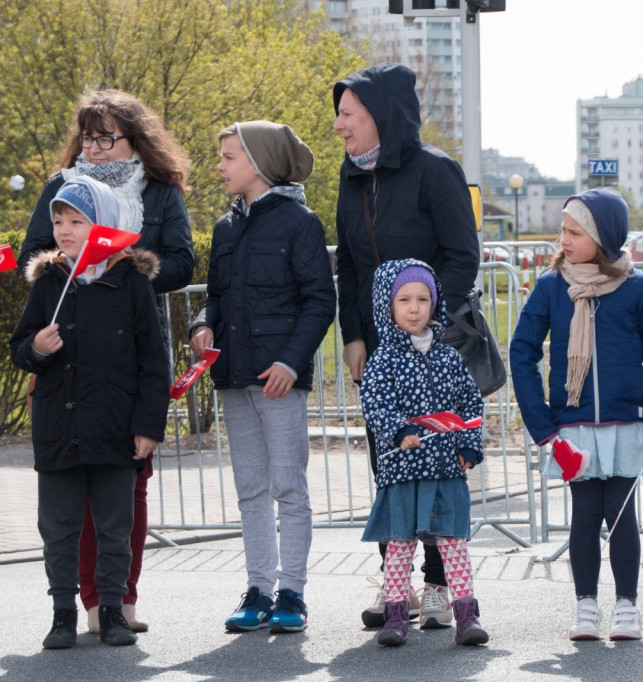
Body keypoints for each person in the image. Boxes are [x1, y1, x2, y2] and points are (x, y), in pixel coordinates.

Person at [18, 89, 194, 635]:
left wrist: (121, 278)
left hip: (124, 344)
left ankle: (120, 599)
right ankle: (84, 603)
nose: (93, 147)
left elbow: (184, 260)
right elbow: (34, 253)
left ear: (133, 139)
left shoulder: (160, 191)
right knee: (70, 495)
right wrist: (80, 276)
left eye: (105, 137)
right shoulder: (60, 190)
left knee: (123, 490)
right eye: (87, 137)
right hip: (68, 354)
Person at [332, 62, 480, 629]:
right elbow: (348, 265)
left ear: (379, 115)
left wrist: (428, 332)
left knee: (438, 467)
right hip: (380, 354)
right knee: (390, 465)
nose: (340, 126)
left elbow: (462, 257)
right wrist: (353, 335)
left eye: (348, 114)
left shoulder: (435, 171)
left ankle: (440, 584)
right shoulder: (350, 176)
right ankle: (397, 588)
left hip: (433, 353)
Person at [510, 188, 643, 642]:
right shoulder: (550, 288)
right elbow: (521, 353)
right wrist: (543, 427)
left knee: (621, 516)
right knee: (584, 516)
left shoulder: (639, 289)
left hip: (627, 425)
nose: (562, 238)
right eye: (563, 229)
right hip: (572, 427)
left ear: (602, 237)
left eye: (573, 231)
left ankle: (627, 607)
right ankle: (585, 606)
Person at [9, 176, 170, 649]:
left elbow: (153, 364)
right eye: (58, 221)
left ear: (101, 224)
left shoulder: (131, 284)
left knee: (114, 526)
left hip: (115, 431)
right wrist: (36, 348)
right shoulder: (48, 283)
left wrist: (147, 427)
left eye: (76, 221)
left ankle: (114, 611)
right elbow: (20, 347)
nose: (64, 230)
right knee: (59, 527)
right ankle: (62, 613)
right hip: (60, 428)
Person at [189, 120, 335, 634]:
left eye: (228, 156)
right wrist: (202, 324)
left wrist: (291, 363)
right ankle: (258, 589)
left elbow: (321, 301)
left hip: (278, 381)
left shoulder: (301, 223)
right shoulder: (226, 228)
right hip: (232, 377)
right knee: (250, 488)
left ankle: (292, 592)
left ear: (258, 161)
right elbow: (215, 296)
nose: (220, 166)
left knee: (288, 488)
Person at [359, 258, 487, 647]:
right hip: (401, 471)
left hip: (446, 468)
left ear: (435, 304)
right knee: (399, 544)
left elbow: (470, 403)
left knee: (452, 542)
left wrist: (469, 442)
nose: (414, 308)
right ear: (388, 305)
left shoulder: (449, 357)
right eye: (404, 300)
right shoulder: (383, 359)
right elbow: (375, 402)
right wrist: (399, 430)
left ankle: (466, 614)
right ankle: (396, 614)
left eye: (422, 299)